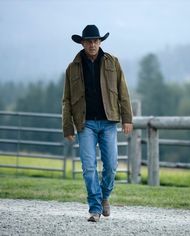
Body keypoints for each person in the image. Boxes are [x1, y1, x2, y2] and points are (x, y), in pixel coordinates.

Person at [62, 25, 133, 222]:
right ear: (82, 43)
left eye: (95, 40)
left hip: (108, 122)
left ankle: (104, 197)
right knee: (89, 167)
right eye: (88, 41)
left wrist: (127, 118)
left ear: (100, 42)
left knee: (111, 166)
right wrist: (68, 126)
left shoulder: (113, 62)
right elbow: (66, 100)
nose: (92, 44)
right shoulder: (72, 68)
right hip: (85, 125)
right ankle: (94, 207)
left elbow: (123, 92)